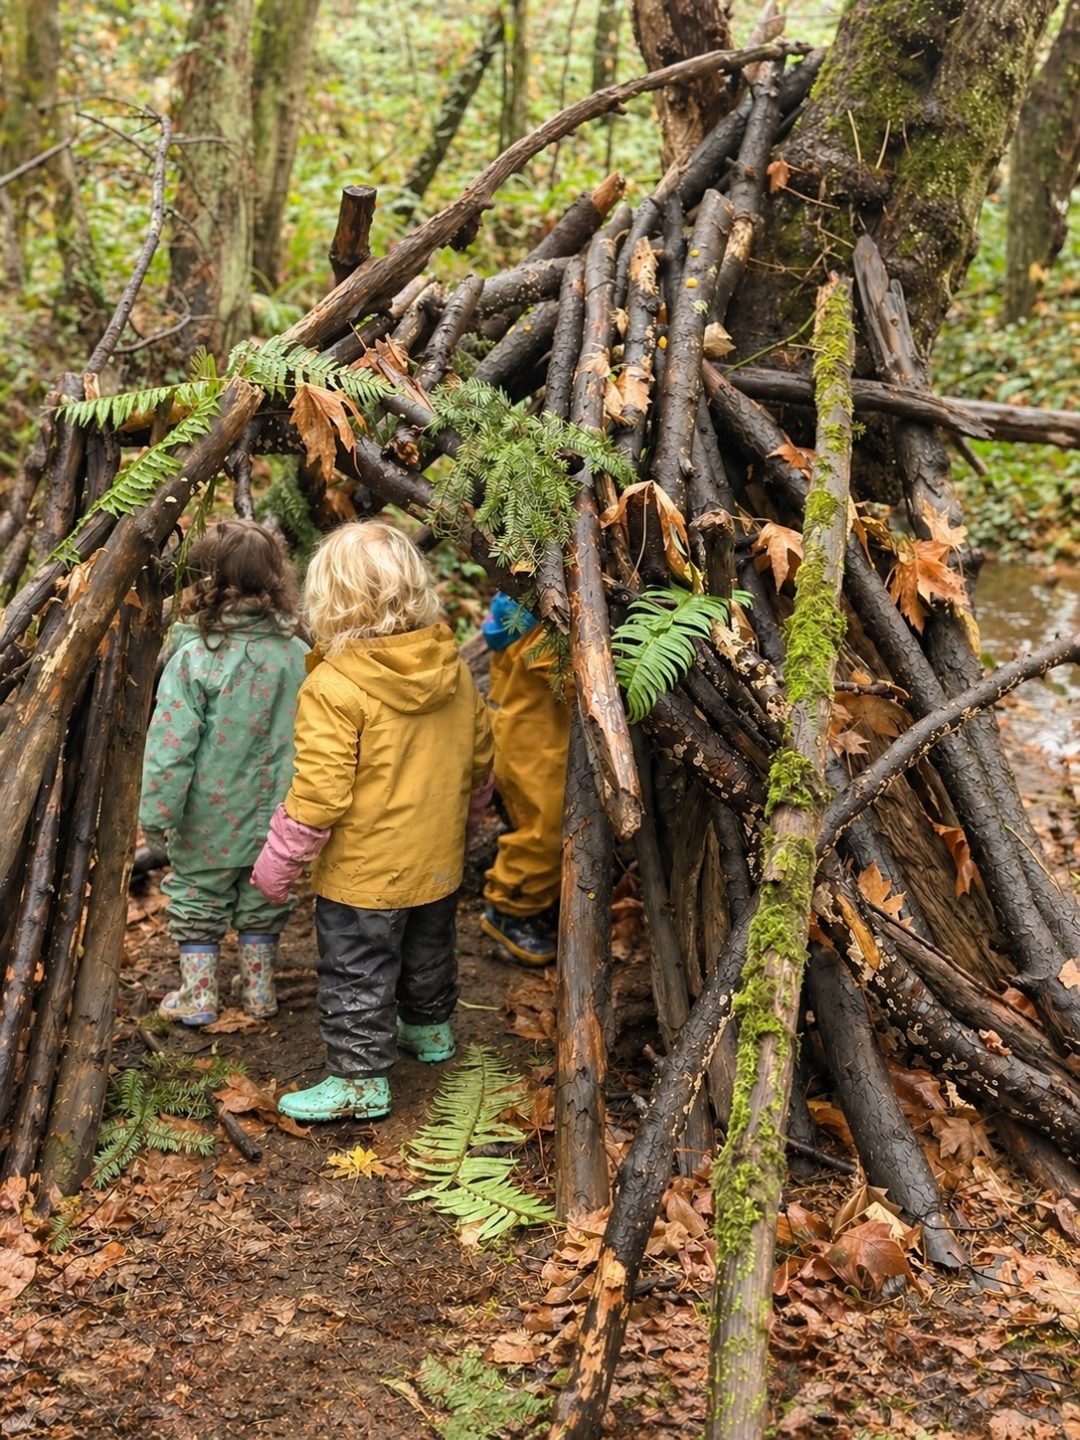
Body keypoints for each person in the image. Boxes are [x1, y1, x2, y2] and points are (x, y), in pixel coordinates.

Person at [252, 522, 494, 1124]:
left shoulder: (334, 686)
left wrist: (279, 860)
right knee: (429, 946)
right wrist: (468, 824)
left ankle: (360, 1078)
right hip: (436, 858)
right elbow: (481, 757)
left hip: (364, 872)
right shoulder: (454, 666)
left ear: (327, 599)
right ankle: (429, 1030)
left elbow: (320, 793)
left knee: (357, 966)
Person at [139, 520, 308, 1026]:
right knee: (265, 893)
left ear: (203, 581)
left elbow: (170, 748)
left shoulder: (195, 658)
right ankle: (259, 992)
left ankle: (199, 995)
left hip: (207, 818)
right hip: (282, 814)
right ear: (277, 580)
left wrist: (157, 816)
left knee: (197, 897)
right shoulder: (298, 654)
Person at [479, 592, 571, 967]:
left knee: (543, 825)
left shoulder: (523, 614)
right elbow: (570, 679)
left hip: (533, 741)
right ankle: (510, 910)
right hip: (533, 749)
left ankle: (537, 899)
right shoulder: (539, 629)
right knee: (542, 829)